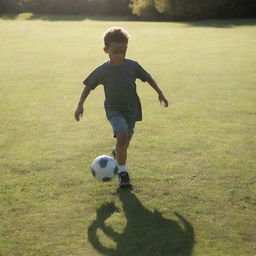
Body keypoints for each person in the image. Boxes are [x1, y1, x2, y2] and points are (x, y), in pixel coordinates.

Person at [74, 27, 169, 187]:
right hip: (113, 109)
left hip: (131, 110)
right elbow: (88, 87)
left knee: (124, 142)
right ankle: (123, 173)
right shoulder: (102, 70)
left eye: (123, 52)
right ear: (106, 50)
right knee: (122, 135)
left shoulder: (132, 66)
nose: (120, 56)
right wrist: (80, 105)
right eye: (115, 52)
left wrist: (160, 93)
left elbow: (148, 78)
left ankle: (117, 153)